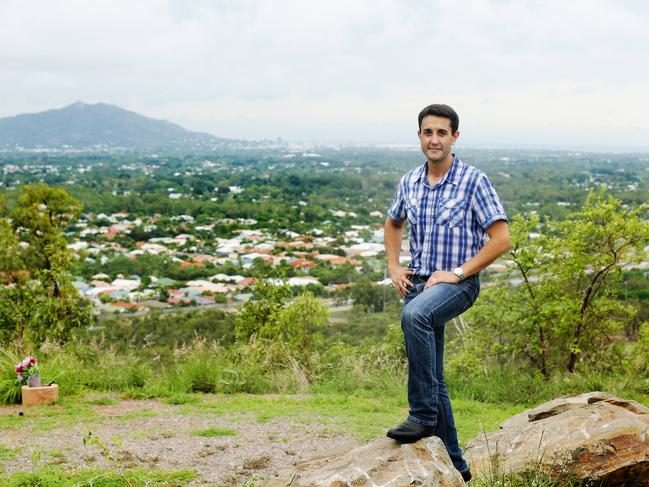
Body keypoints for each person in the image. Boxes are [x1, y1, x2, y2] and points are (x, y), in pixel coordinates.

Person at [384, 104, 510, 483]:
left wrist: (457, 273)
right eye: (427, 132)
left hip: (457, 285)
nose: (434, 139)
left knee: (415, 316)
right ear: (419, 136)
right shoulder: (410, 182)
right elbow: (393, 223)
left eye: (442, 132)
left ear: (455, 136)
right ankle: (458, 466)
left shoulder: (473, 180)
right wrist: (393, 265)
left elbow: (501, 238)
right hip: (418, 283)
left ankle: (421, 415)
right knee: (434, 378)